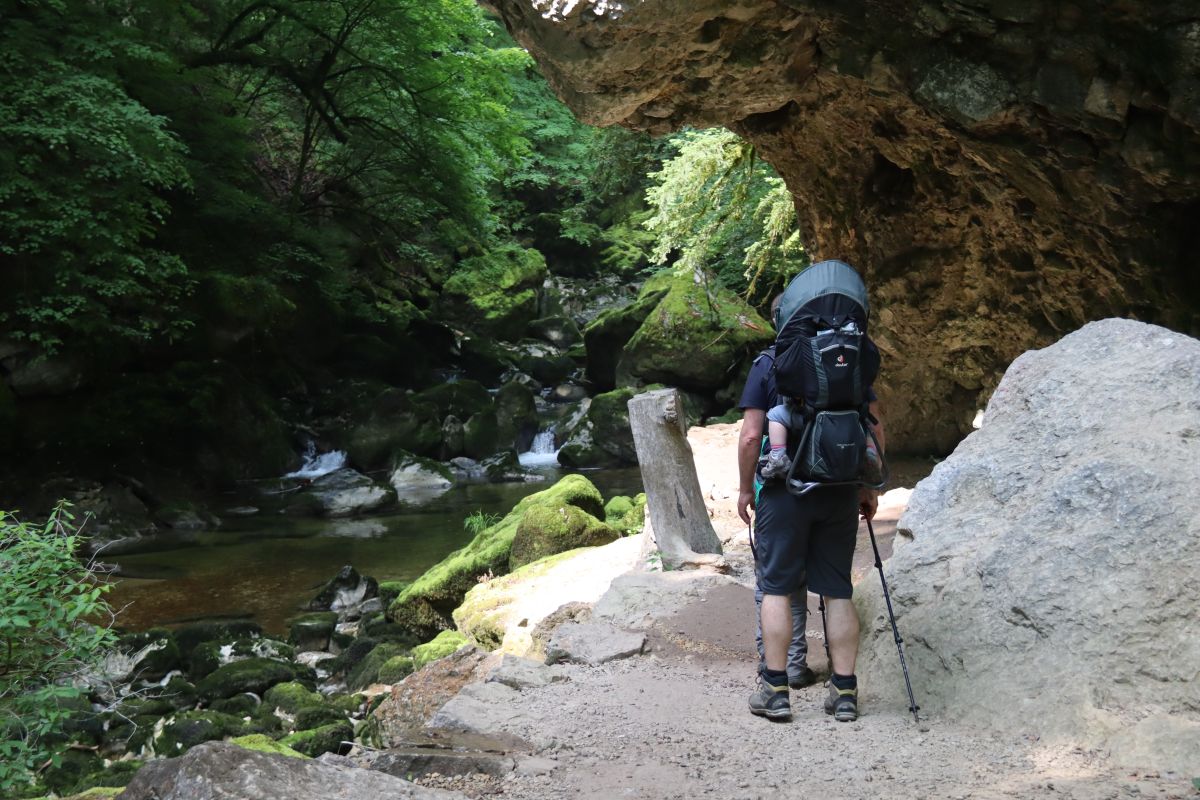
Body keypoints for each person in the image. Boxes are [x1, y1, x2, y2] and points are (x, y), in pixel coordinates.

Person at [738, 295, 885, 723]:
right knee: (838, 589)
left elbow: (750, 435)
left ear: (779, 320)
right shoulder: (848, 358)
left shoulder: (770, 362)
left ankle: (777, 690)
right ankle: (843, 693)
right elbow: (873, 421)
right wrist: (869, 485)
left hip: (785, 494)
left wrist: (746, 489)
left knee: (777, 587)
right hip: (839, 488)